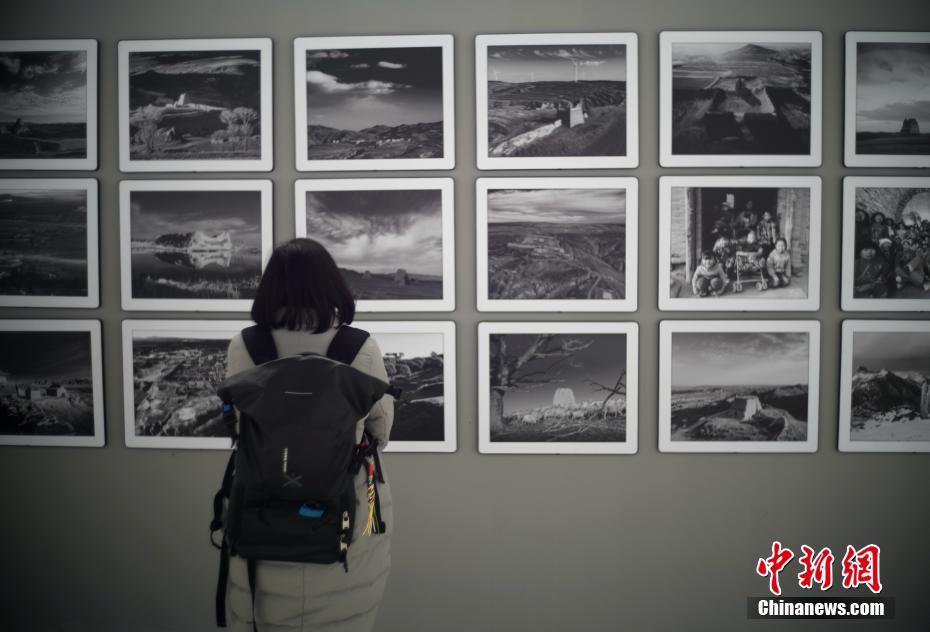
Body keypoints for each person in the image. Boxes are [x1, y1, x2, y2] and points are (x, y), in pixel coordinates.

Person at [223, 238, 394, 632]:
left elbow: (238, 424)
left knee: (260, 610)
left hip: (260, 499)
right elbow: (381, 430)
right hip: (345, 500)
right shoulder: (359, 347)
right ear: (331, 284)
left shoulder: (245, 345)